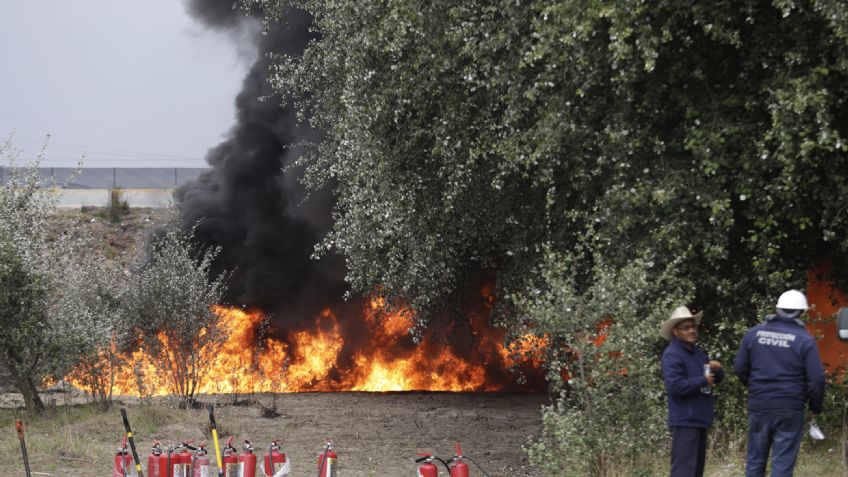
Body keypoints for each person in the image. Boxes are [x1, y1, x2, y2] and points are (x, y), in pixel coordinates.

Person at [734, 289, 825, 477]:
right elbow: (816, 379)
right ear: (801, 313)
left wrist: (757, 388)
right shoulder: (805, 340)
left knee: (755, 461)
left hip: (759, 405)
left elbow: (740, 367)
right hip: (790, 407)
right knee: (782, 465)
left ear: (776, 309)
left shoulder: (753, 334)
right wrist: (815, 406)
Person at [661, 305, 724, 477]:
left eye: (693, 326)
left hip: (699, 419)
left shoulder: (697, 353)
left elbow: (712, 378)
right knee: (683, 472)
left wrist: (717, 370)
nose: (691, 330)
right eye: (686, 328)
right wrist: (702, 380)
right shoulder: (672, 354)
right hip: (685, 421)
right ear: (675, 331)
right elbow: (675, 386)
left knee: (696, 471)